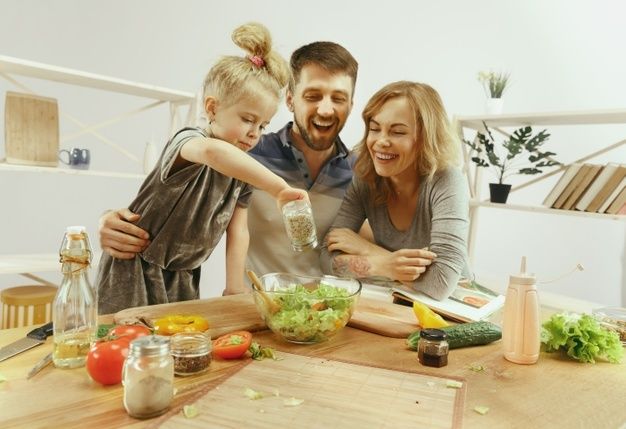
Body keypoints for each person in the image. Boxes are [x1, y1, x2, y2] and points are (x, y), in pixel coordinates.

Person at [98, 41, 360, 294]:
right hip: (142, 268)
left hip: (187, 275)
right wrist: (108, 218)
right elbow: (213, 153)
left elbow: (239, 230)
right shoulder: (237, 153)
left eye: (262, 126)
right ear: (290, 100)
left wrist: (233, 287)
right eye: (313, 95)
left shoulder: (361, 173)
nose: (254, 133)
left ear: (351, 105)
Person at [320, 81, 470, 301]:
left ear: (425, 139)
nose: (381, 141)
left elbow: (441, 282)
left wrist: (374, 254)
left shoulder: (446, 180)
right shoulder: (365, 179)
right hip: (396, 299)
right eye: (374, 129)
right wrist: (384, 266)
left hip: (454, 304)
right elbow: (326, 258)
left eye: (398, 132)